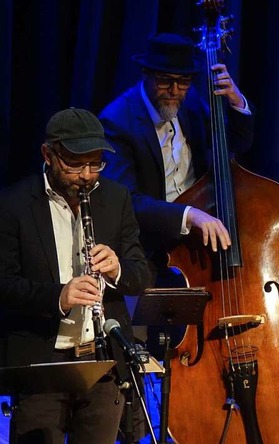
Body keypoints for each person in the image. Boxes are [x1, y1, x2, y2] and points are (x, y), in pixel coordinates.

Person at [0, 108, 150, 443]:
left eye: (95, 163)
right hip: (42, 365)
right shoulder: (13, 205)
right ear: (47, 154)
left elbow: (141, 273)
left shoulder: (116, 197)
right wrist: (59, 296)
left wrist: (118, 268)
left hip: (101, 361)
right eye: (75, 164)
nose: (86, 175)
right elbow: (4, 284)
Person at [99, 32, 254, 266]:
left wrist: (236, 101)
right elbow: (126, 201)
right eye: (165, 80)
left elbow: (235, 144)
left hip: (199, 240)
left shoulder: (189, 101)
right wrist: (188, 215)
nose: (174, 90)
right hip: (152, 248)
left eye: (183, 81)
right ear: (146, 74)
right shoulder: (117, 121)